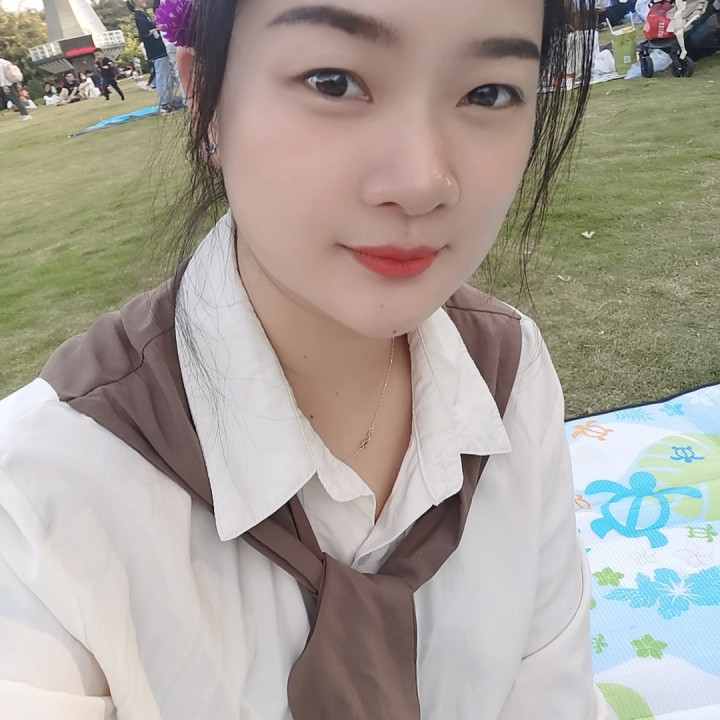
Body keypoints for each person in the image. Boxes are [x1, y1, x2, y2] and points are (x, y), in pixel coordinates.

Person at [0, 0, 611, 718]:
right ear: (205, 100)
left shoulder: (509, 369)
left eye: (488, 92)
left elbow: (552, 694)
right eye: (333, 82)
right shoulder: (37, 499)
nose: (421, 181)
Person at [127, 0, 175, 113]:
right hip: (156, 51)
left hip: (160, 49)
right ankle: (164, 104)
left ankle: (169, 101)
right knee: (162, 77)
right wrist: (157, 28)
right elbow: (145, 33)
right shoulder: (139, 16)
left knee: (167, 76)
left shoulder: (143, 14)